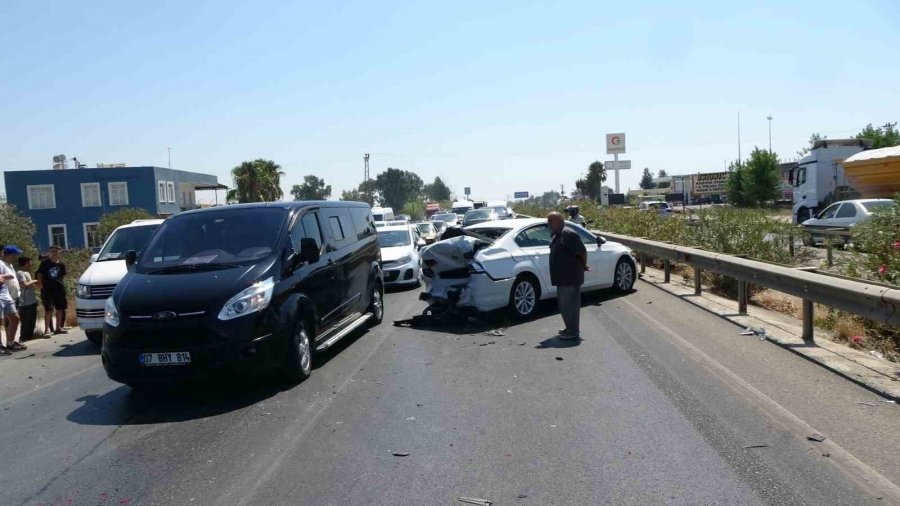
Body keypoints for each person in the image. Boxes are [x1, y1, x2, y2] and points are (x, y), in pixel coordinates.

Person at [548, 212, 589, 340]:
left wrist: (583, 266)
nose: (548, 223)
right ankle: (569, 328)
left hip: (570, 277)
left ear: (560, 221)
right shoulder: (557, 235)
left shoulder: (569, 234)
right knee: (564, 306)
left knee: (570, 306)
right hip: (562, 278)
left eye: (551, 220)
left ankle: (573, 332)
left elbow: (582, 252)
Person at [37, 246, 68, 335]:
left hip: (59, 289)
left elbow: (63, 276)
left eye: (56, 251)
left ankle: (58, 328)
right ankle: (46, 330)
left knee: (60, 309)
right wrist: (41, 285)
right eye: (52, 251)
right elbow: (39, 274)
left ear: (59, 253)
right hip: (48, 290)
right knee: (48, 310)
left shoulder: (61, 265)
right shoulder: (45, 263)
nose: (54, 253)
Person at [0, 249, 25, 354]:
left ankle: (10, 343)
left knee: (15, 318)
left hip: (5, 295)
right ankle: (1, 346)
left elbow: (10, 275)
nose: (2, 254)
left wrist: (1, 276)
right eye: (1, 251)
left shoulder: (1, 263)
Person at [17, 256, 42, 341]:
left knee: (32, 322)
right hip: (24, 303)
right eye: (30, 262)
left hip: (32, 301)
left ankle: (29, 338)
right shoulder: (20, 273)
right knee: (26, 322)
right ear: (26, 263)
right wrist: (35, 281)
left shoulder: (27, 273)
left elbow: (31, 285)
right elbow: (25, 284)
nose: (31, 264)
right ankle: (23, 338)